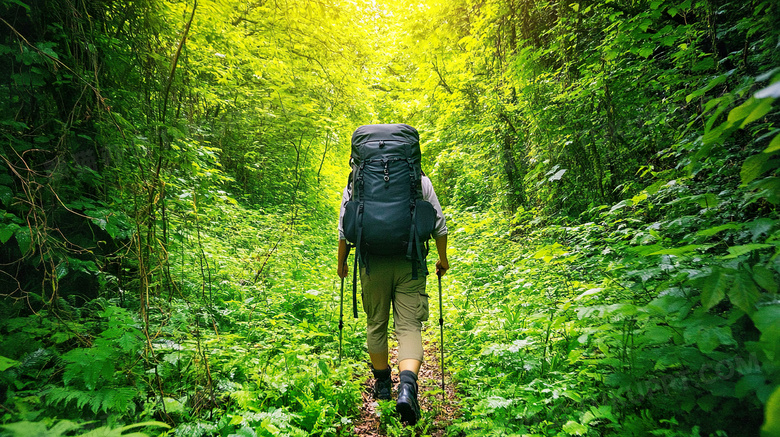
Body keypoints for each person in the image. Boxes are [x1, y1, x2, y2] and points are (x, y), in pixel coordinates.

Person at [337, 171, 449, 425]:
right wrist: (443, 259)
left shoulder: (358, 181)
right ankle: (408, 389)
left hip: (371, 262)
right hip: (411, 261)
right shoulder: (419, 180)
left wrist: (341, 262)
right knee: (409, 327)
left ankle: (384, 384)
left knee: (376, 323)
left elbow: (344, 228)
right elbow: (439, 225)